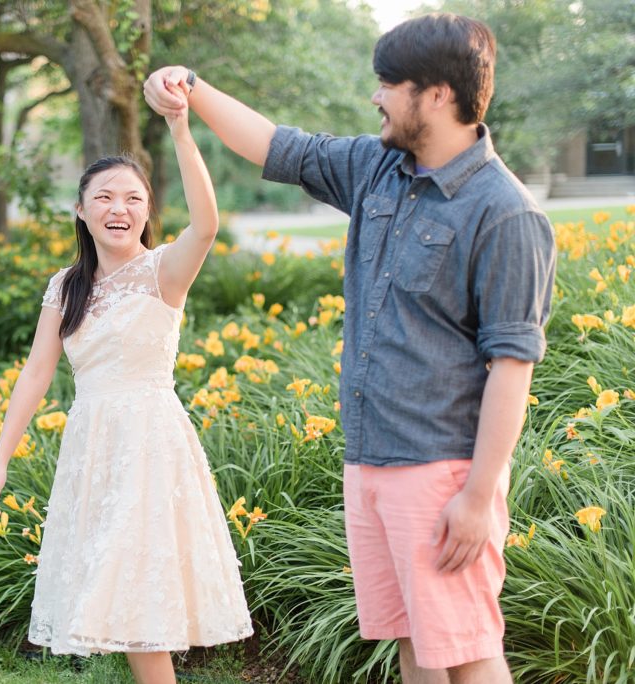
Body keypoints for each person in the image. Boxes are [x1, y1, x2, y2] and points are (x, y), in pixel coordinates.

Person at [144, 13, 555, 684]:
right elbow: (276, 146)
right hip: (370, 461)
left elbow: (512, 367)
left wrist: (479, 497)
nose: (376, 96)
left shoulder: (505, 213)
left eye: (389, 84)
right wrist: (189, 84)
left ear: (437, 95)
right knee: (414, 646)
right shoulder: (375, 168)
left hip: (440, 471)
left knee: (467, 650)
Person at [0, 79, 253, 684]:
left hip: (150, 444)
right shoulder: (66, 286)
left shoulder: (163, 272)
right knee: (126, 600)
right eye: (103, 198)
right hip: (93, 447)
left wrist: (180, 128)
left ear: (147, 211)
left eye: (132, 198)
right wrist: (0, 459)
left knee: (137, 593)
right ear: (81, 211)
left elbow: (206, 225)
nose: (118, 209)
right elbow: (36, 373)